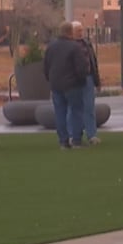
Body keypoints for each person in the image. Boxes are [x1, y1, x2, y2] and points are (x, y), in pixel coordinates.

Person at [44, 21, 90, 150]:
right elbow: (81, 67)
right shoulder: (75, 47)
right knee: (76, 111)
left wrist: (50, 79)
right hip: (73, 84)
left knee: (60, 113)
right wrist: (82, 80)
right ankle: (76, 140)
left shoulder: (51, 46)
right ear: (71, 32)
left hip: (56, 85)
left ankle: (63, 141)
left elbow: (46, 66)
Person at [71, 21, 102, 145]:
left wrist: (97, 81)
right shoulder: (69, 45)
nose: (80, 33)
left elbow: (93, 62)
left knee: (89, 107)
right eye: (78, 30)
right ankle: (73, 135)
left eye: (81, 30)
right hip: (73, 80)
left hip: (88, 78)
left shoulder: (87, 44)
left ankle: (92, 135)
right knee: (73, 108)